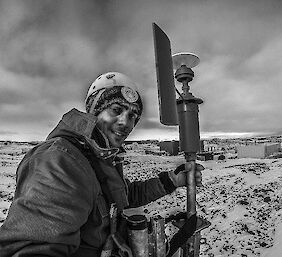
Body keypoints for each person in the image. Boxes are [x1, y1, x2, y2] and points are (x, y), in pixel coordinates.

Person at [0, 72, 204, 257]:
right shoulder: (60, 161)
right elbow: (33, 249)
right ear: (94, 112)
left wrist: (171, 181)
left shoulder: (98, 157)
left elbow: (122, 196)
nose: (126, 123)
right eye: (116, 110)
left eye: (132, 116)